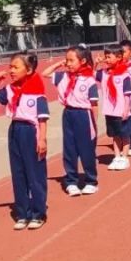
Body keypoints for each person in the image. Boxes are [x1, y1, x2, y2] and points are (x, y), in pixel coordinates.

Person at [0, 51, 50, 229]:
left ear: (28, 70)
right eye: (10, 67)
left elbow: (43, 118)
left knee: (34, 173)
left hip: (31, 131)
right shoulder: (10, 89)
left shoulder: (37, 92)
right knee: (18, 173)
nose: (11, 70)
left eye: (16, 67)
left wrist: (42, 139)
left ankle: (38, 212)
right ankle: (23, 213)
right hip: (15, 130)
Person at [42, 47, 99, 197]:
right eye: (67, 60)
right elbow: (45, 73)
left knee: (86, 149)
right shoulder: (63, 77)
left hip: (84, 115)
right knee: (69, 149)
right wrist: (59, 64)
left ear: (83, 61)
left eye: (71, 60)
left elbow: (94, 105)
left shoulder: (89, 80)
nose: (68, 63)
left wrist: (94, 123)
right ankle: (71, 181)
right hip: (68, 113)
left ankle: (91, 181)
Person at [97, 46, 131, 169]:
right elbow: (90, 75)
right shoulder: (104, 73)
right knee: (114, 135)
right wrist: (96, 64)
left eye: (109, 57)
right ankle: (117, 156)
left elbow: (128, 94)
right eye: (105, 57)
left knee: (124, 134)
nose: (106, 59)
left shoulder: (125, 74)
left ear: (118, 57)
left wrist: (126, 109)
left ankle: (124, 157)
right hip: (109, 111)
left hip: (121, 110)